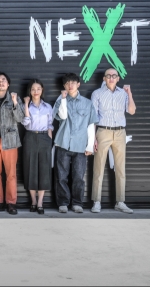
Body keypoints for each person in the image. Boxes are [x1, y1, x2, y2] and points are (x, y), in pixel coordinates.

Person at [90, 68, 137, 214]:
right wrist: (93, 139)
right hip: (103, 131)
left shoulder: (123, 94)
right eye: (108, 76)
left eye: (114, 76)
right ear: (104, 78)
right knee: (98, 168)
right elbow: (93, 118)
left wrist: (129, 93)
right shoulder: (97, 94)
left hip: (120, 132)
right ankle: (96, 202)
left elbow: (132, 110)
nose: (111, 78)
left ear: (118, 78)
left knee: (120, 168)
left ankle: (120, 202)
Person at [52, 73, 98, 214]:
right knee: (61, 176)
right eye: (67, 83)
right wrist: (63, 99)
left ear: (78, 84)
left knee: (79, 176)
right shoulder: (60, 101)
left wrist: (90, 146)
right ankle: (63, 203)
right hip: (63, 143)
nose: (70, 85)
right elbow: (63, 116)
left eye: (73, 82)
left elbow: (91, 125)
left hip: (80, 145)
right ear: (64, 86)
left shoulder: (87, 103)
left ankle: (77, 203)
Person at [0, 72, 25, 215]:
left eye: (3, 80)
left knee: (11, 174)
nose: (0, 82)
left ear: (8, 84)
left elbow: (20, 118)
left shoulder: (14, 99)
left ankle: (11, 203)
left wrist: (14, 102)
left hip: (10, 141)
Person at [21, 79, 53, 215]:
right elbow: (26, 123)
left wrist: (49, 138)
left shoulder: (48, 107)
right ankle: (33, 200)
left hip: (44, 137)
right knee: (30, 167)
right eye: (33, 89)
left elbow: (51, 123)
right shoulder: (25, 106)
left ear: (42, 90)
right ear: (30, 91)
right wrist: (27, 104)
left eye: (38, 88)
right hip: (30, 136)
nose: (36, 91)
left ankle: (40, 202)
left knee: (44, 168)